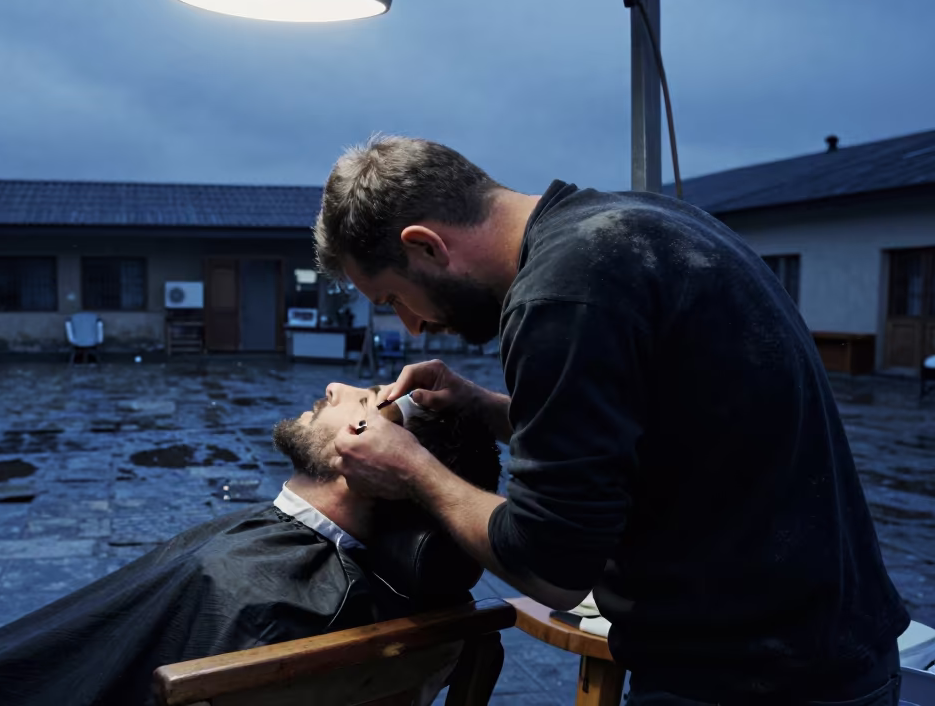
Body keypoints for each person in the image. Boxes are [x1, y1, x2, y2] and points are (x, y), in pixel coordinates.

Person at [314, 135, 910, 705]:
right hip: (830, 651)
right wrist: (482, 406)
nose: (413, 327)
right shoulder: (634, 224)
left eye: (393, 299)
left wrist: (412, 467)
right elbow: (653, 431)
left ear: (426, 246)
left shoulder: (560, 295)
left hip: (748, 678)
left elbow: (553, 566)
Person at [0, 382, 501, 706]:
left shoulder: (266, 607)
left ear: (379, 460)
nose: (333, 386)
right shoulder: (301, 584)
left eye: (366, 399)